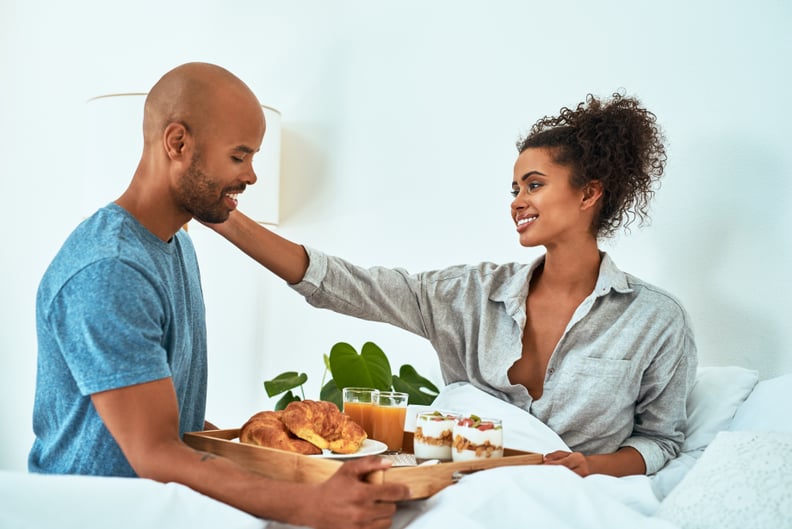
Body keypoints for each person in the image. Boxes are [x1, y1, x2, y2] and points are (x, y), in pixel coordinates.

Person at [206, 92, 698, 478]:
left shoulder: (655, 319)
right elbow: (344, 284)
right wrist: (223, 216)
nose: (517, 202)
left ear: (589, 192)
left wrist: (592, 467)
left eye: (534, 184)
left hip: (572, 497)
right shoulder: (470, 295)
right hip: (468, 488)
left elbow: (660, 440)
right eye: (514, 189)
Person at [29, 62, 409, 529]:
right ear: (178, 143)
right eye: (239, 155)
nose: (251, 176)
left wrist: (289, 458)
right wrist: (309, 504)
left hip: (162, 510)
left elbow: (174, 428)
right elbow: (156, 452)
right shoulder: (110, 269)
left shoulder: (177, 246)